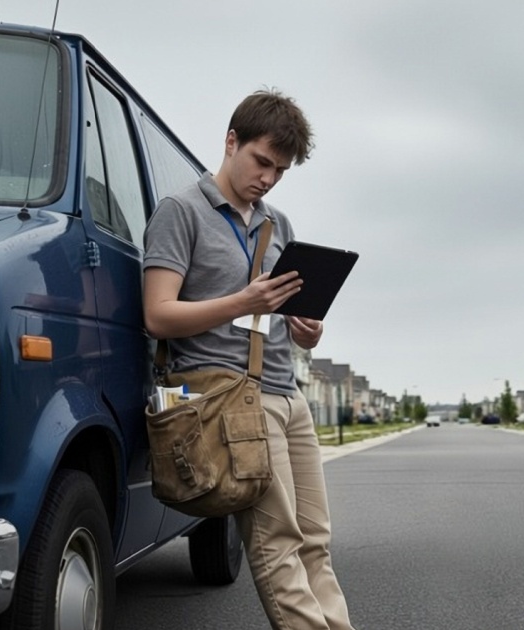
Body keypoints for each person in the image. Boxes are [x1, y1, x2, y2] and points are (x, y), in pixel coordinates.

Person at [142, 89, 355, 630]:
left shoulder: (276, 224)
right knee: (277, 543)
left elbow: (280, 319)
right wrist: (245, 300)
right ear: (231, 141)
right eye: (262, 162)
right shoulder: (179, 212)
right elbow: (158, 316)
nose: (268, 178)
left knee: (315, 541)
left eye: (280, 171)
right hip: (229, 398)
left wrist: (307, 330)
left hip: (288, 394)